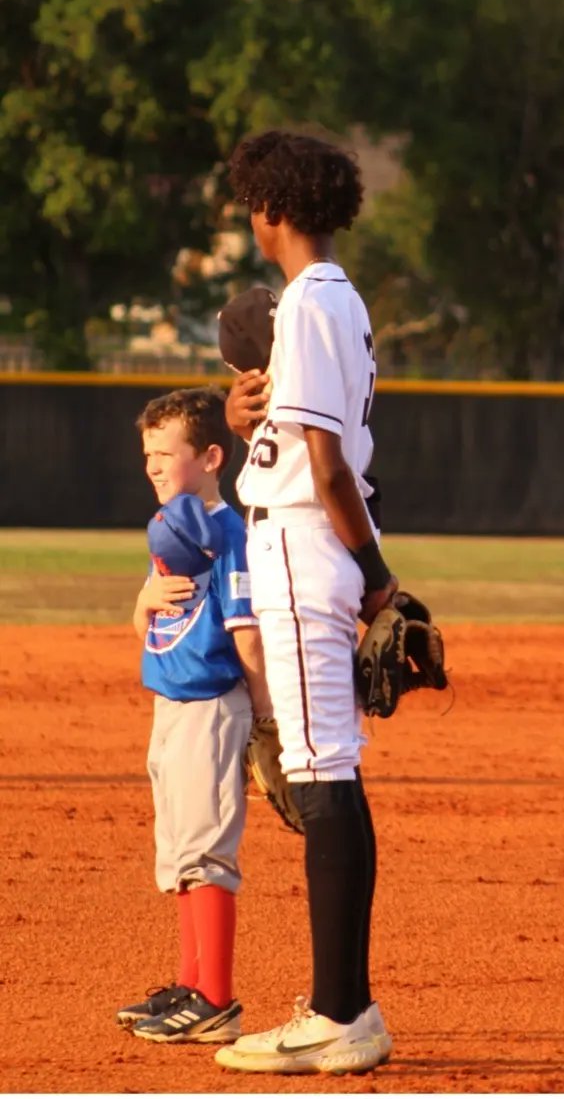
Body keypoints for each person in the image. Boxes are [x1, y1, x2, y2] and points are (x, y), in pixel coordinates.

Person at [213, 129, 397, 1076]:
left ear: (270, 210)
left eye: (253, 200)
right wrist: (248, 419)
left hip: (302, 549)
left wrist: (380, 581)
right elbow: (303, 443)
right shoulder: (323, 303)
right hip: (304, 541)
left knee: (322, 775)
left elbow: (328, 470)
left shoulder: (313, 302)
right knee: (327, 771)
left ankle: (340, 1011)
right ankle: (342, 1004)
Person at [117, 386, 271, 1043]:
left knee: (206, 851)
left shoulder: (231, 532)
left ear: (211, 456)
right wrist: (145, 599)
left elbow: (248, 634)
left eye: (165, 452)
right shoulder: (171, 530)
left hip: (212, 705)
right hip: (170, 707)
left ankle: (217, 999)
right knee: (179, 852)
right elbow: (143, 626)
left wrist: (265, 721)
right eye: (147, 453)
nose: (152, 464)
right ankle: (191, 982)